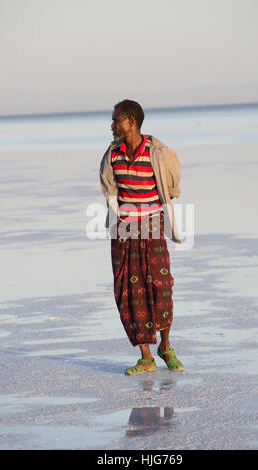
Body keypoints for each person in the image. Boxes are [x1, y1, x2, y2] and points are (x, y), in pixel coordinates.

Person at [99, 99, 184, 375]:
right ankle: (146, 357)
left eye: (117, 121)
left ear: (131, 121)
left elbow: (172, 185)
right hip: (123, 232)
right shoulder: (112, 154)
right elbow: (109, 188)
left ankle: (165, 346)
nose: (112, 126)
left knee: (162, 288)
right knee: (129, 294)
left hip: (152, 227)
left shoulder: (157, 152)